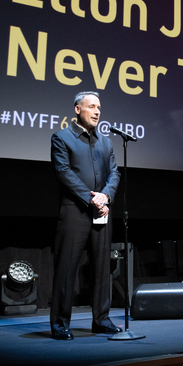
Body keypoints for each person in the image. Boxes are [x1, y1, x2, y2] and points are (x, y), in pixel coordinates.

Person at [49, 91, 122, 340]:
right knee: (66, 268)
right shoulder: (62, 138)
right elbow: (63, 172)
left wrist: (106, 196)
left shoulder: (106, 142)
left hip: (101, 211)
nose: (97, 111)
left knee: (102, 268)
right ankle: (60, 323)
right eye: (91, 106)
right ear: (78, 109)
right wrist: (91, 198)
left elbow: (114, 173)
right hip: (75, 212)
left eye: (99, 107)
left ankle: (101, 319)